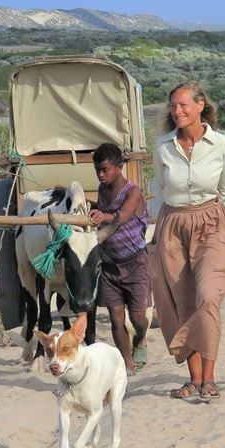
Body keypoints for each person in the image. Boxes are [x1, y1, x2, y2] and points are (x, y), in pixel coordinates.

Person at [149, 81, 225, 400]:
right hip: (173, 224)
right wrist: (159, 232)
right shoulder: (162, 145)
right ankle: (195, 379)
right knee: (182, 301)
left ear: (201, 106)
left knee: (207, 297)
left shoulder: (222, 145)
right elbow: (160, 189)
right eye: (173, 106)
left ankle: (211, 377)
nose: (177, 111)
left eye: (184, 105)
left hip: (212, 222)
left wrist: (216, 220)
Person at [89, 142, 151, 377]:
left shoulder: (133, 192)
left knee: (137, 318)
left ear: (119, 167)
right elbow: (105, 209)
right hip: (110, 265)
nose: (101, 174)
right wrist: (90, 206)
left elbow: (122, 216)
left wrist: (103, 215)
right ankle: (127, 362)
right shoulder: (102, 189)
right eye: (98, 170)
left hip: (135, 263)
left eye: (105, 170)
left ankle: (141, 341)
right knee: (116, 316)